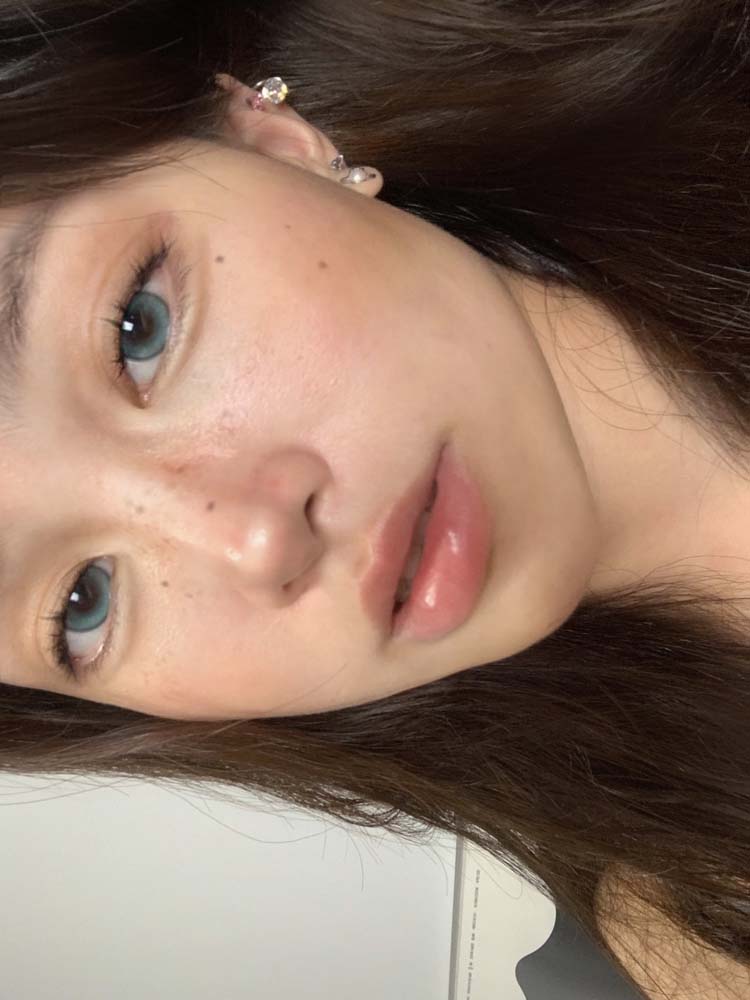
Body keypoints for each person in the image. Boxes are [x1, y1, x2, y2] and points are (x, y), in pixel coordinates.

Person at [0, 2, 748, 995]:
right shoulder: (698, 936)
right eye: (82, 603)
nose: (257, 541)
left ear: (272, 138)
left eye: (140, 327)